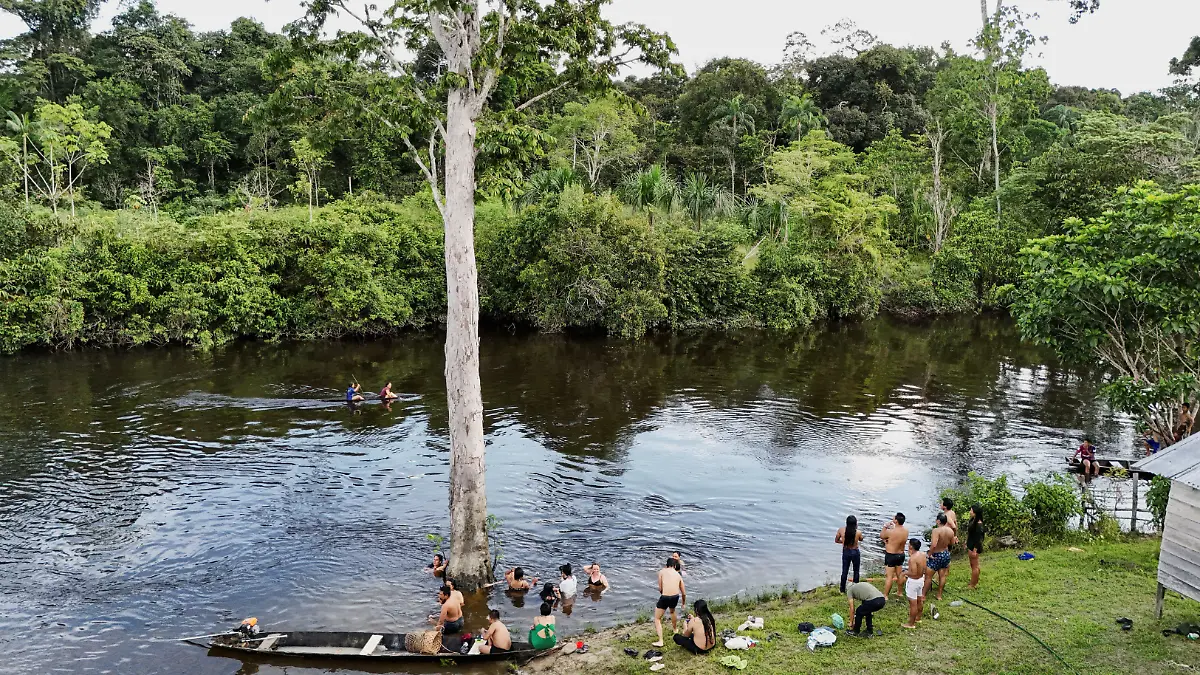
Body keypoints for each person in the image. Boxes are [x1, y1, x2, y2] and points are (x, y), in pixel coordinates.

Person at [652, 558, 686, 648]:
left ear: (666, 565)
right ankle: (675, 629)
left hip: (665, 597)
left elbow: (660, 588)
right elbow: (684, 593)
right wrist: (683, 603)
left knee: (657, 618)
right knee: (672, 611)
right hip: (675, 596)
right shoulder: (678, 575)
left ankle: (660, 641)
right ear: (675, 566)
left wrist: (664, 595)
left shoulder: (662, 572)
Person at [925, 513, 954, 601]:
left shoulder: (936, 531)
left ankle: (923, 595)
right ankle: (939, 595)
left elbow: (933, 545)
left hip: (936, 555)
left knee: (928, 576)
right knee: (942, 576)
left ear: (938, 521)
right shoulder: (950, 531)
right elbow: (952, 543)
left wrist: (928, 555)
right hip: (945, 554)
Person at [880, 513, 909, 599]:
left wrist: (885, 526)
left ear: (896, 520)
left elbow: (882, 535)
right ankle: (899, 592)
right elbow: (895, 540)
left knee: (889, 576)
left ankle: (885, 595)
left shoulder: (890, 531)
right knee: (899, 574)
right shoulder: (906, 531)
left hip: (891, 555)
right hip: (901, 554)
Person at [901, 539, 927, 629]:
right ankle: (918, 618)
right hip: (921, 580)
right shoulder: (923, 554)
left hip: (913, 582)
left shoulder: (912, 559)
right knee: (919, 600)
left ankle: (911, 624)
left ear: (911, 546)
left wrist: (905, 573)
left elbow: (914, 573)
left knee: (913, 604)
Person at [835, 515, 864, 593]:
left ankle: (842, 590)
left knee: (844, 571)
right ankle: (856, 588)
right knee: (856, 570)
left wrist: (843, 542)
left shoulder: (841, 530)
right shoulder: (858, 532)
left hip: (846, 551)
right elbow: (861, 539)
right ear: (855, 523)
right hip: (855, 552)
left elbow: (836, 540)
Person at [966, 503, 985, 590]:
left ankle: (973, 584)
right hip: (971, 545)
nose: (970, 512)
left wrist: (975, 550)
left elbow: (979, 539)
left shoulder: (978, 524)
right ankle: (973, 581)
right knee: (973, 565)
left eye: (971, 510)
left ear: (975, 512)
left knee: (975, 566)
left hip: (974, 547)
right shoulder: (973, 520)